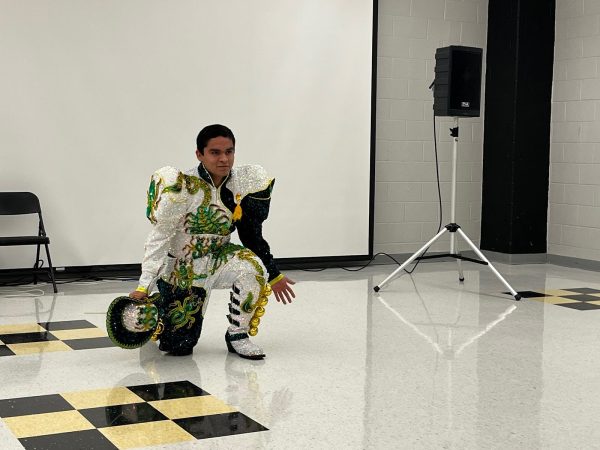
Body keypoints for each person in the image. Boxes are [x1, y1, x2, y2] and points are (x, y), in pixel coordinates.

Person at [128, 124, 295, 359]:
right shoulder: (181, 188)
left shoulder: (242, 185)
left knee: (252, 268)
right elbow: (159, 238)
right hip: (182, 269)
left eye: (229, 151)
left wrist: (273, 273)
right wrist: (143, 286)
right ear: (200, 154)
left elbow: (251, 235)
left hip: (219, 258)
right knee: (179, 348)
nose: (224, 159)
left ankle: (238, 334)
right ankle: (158, 309)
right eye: (215, 152)